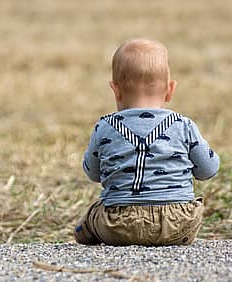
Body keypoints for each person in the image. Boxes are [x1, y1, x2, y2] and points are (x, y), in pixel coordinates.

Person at [75, 38, 220, 246]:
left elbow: (92, 173)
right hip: (178, 224)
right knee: (193, 208)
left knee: (94, 214)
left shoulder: (105, 126)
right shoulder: (183, 125)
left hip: (119, 226)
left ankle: (85, 231)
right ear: (170, 90)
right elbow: (208, 170)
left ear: (115, 90)